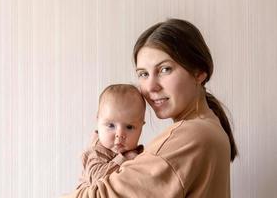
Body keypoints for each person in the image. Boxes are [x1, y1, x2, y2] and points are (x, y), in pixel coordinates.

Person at [62, 18, 238, 198]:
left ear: (199, 72)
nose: (151, 86)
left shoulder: (191, 136)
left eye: (164, 69)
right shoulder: (210, 126)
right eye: (143, 74)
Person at [76, 84, 146, 189]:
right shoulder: (95, 152)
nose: (120, 134)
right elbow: (97, 180)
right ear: (98, 122)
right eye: (111, 125)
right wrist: (124, 159)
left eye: (129, 127)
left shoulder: (139, 154)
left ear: (141, 127)